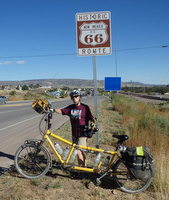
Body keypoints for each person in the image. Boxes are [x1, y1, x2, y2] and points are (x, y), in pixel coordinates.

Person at [53, 90, 95, 167]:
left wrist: (93, 123)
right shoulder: (71, 108)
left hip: (83, 133)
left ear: (79, 97)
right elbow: (61, 111)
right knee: (79, 152)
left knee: (78, 151)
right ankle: (83, 168)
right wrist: (52, 110)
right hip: (74, 133)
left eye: (76, 96)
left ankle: (81, 169)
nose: (74, 98)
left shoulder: (85, 107)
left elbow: (91, 118)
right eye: (72, 97)